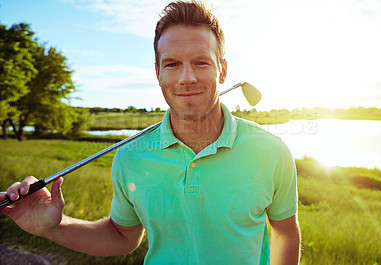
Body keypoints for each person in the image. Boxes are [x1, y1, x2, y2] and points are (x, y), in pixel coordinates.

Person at [0, 1, 301, 264]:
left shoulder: (271, 151)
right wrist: (52, 227)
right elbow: (123, 236)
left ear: (222, 70)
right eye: (172, 64)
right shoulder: (130, 156)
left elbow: (285, 231)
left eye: (201, 62)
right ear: (157, 72)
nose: (187, 78)